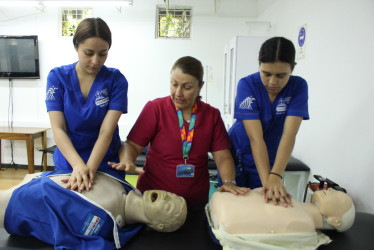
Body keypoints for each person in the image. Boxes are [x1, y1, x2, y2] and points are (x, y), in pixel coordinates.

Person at [109, 56, 249, 208]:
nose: (178, 93)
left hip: (195, 201)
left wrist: (228, 181)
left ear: (200, 86)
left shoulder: (211, 115)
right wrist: (127, 160)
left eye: (187, 87)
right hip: (155, 201)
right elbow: (132, 145)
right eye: (174, 84)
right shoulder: (156, 109)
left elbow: (223, 156)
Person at [0, 171, 187, 249]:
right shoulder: (126, 186)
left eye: (169, 206)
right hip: (41, 178)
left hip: (25, 203)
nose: (165, 196)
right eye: (171, 195)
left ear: (159, 225)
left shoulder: (105, 226)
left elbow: (64, 234)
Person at [45, 17, 129, 192]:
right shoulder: (57, 77)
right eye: (88, 53)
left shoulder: (116, 81)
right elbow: (58, 128)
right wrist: (77, 166)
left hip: (104, 162)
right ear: (76, 46)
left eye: (103, 53)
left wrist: (88, 170)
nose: (95, 61)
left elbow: (106, 132)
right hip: (69, 162)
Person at [225, 37, 309, 207]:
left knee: (266, 204)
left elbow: (289, 133)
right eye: (266, 73)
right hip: (239, 152)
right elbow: (255, 137)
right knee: (236, 205)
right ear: (259, 65)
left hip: (269, 154)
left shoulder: (298, 86)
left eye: (280, 75)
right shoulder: (247, 85)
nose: (272, 82)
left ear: (292, 68)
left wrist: (275, 176)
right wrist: (267, 182)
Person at [207, 188, 355, 249]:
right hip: (222, 207)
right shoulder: (297, 205)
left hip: (224, 218)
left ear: (336, 221)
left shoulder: (303, 223)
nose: (330, 189)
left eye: (340, 198)